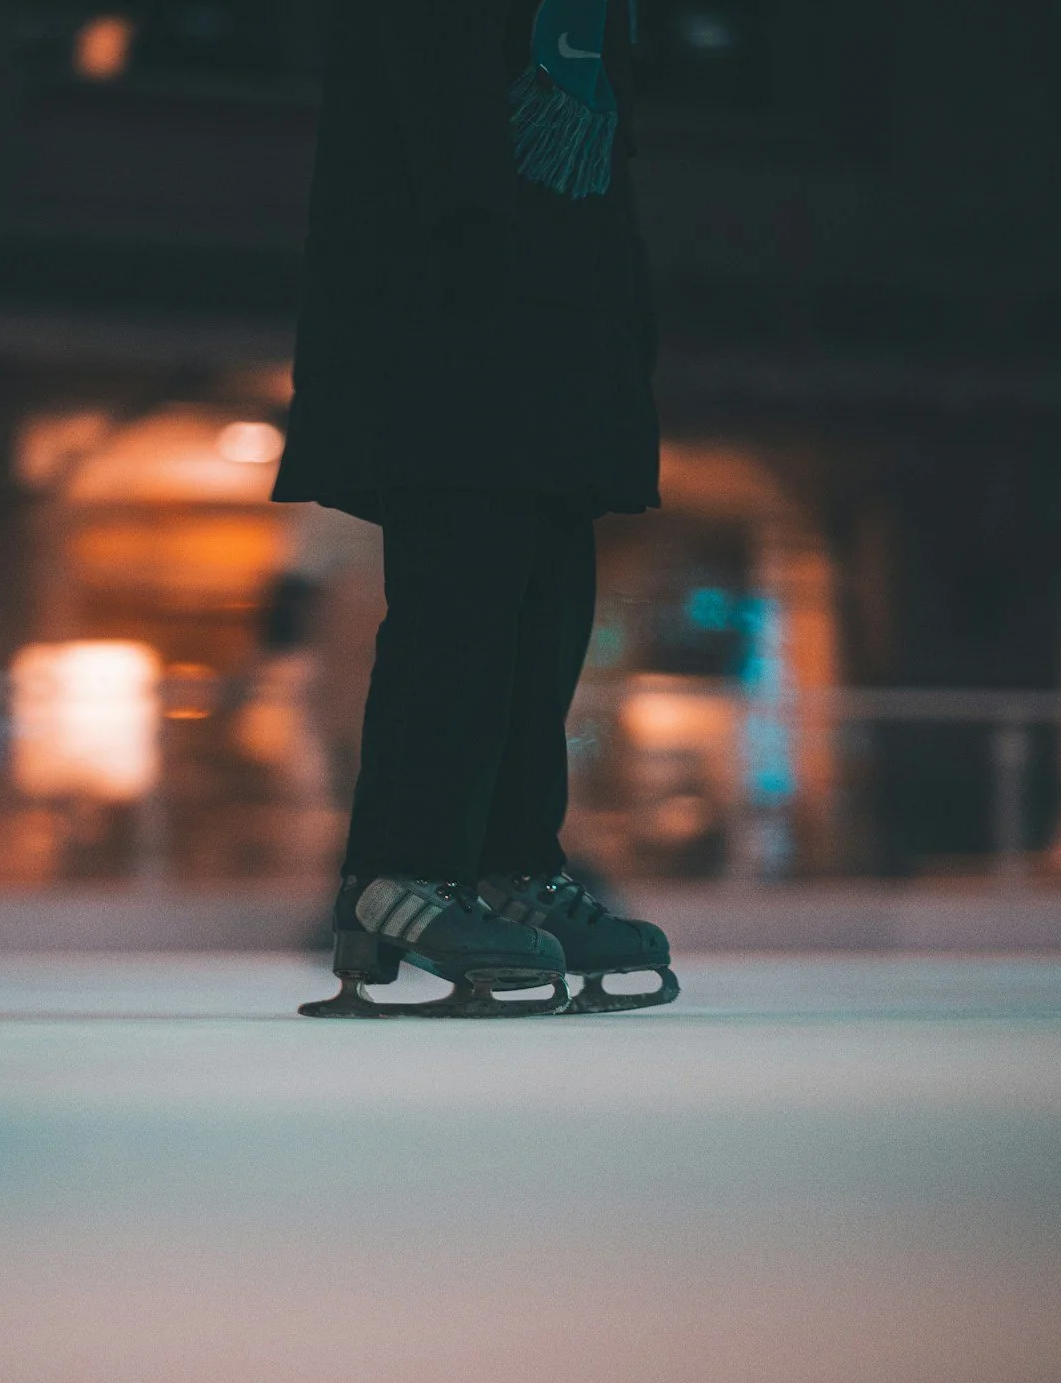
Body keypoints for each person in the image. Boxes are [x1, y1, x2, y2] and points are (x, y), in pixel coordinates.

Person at [274, 0, 679, 1017]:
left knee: (545, 608)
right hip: (459, 324)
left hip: (556, 327)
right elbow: (429, 110)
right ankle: (397, 871)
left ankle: (508, 861)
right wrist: (470, 278)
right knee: (461, 602)